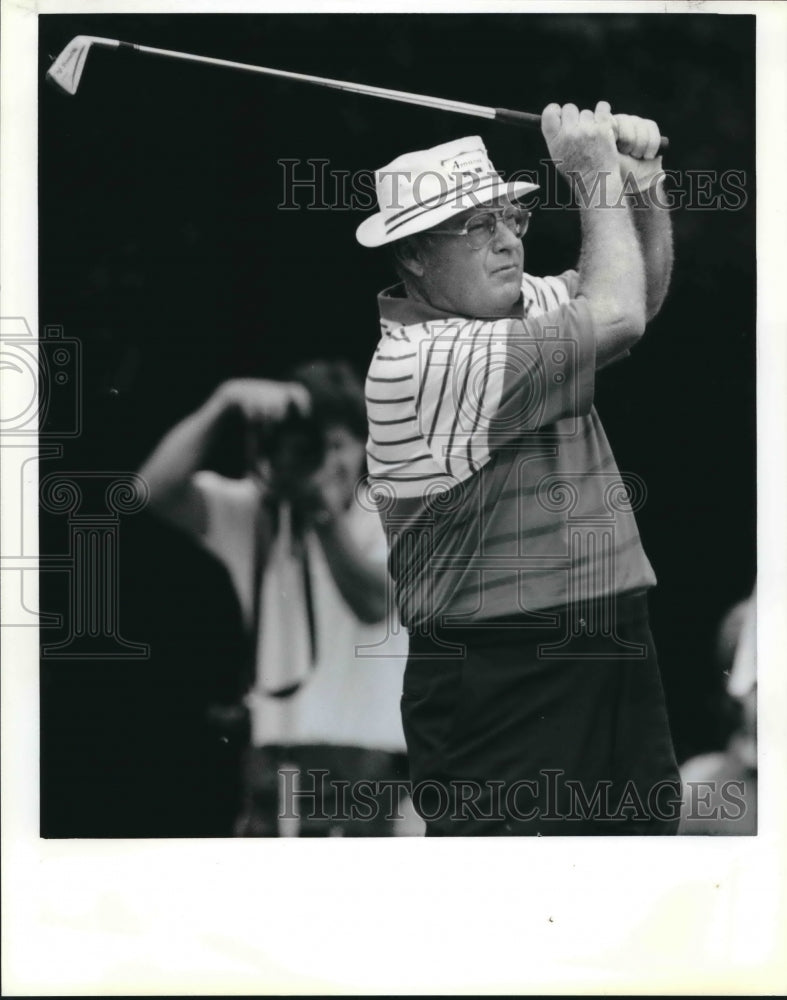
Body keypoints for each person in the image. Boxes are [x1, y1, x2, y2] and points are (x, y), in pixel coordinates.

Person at [355, 102, 681, 835]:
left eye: (510, 217)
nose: (507, 242)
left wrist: (640, 186)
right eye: (478, 227)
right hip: (499, 664)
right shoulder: (423, 359)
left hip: (606, 633)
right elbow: (618, 314)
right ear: (411, 256)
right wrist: (593, 174)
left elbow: (638, 300)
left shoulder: (514, 306)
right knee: (510, 906)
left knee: (638, 884)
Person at [139, 361, 411, 836]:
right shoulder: (258, 514)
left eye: (336, 445)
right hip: (276, 763)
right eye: (309, 448)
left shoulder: (391, 513)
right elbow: (151, 490)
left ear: (365, 450)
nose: (325, 463)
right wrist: (223, 401)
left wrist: (322, 515)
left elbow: (374, 605)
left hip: (366, 763)